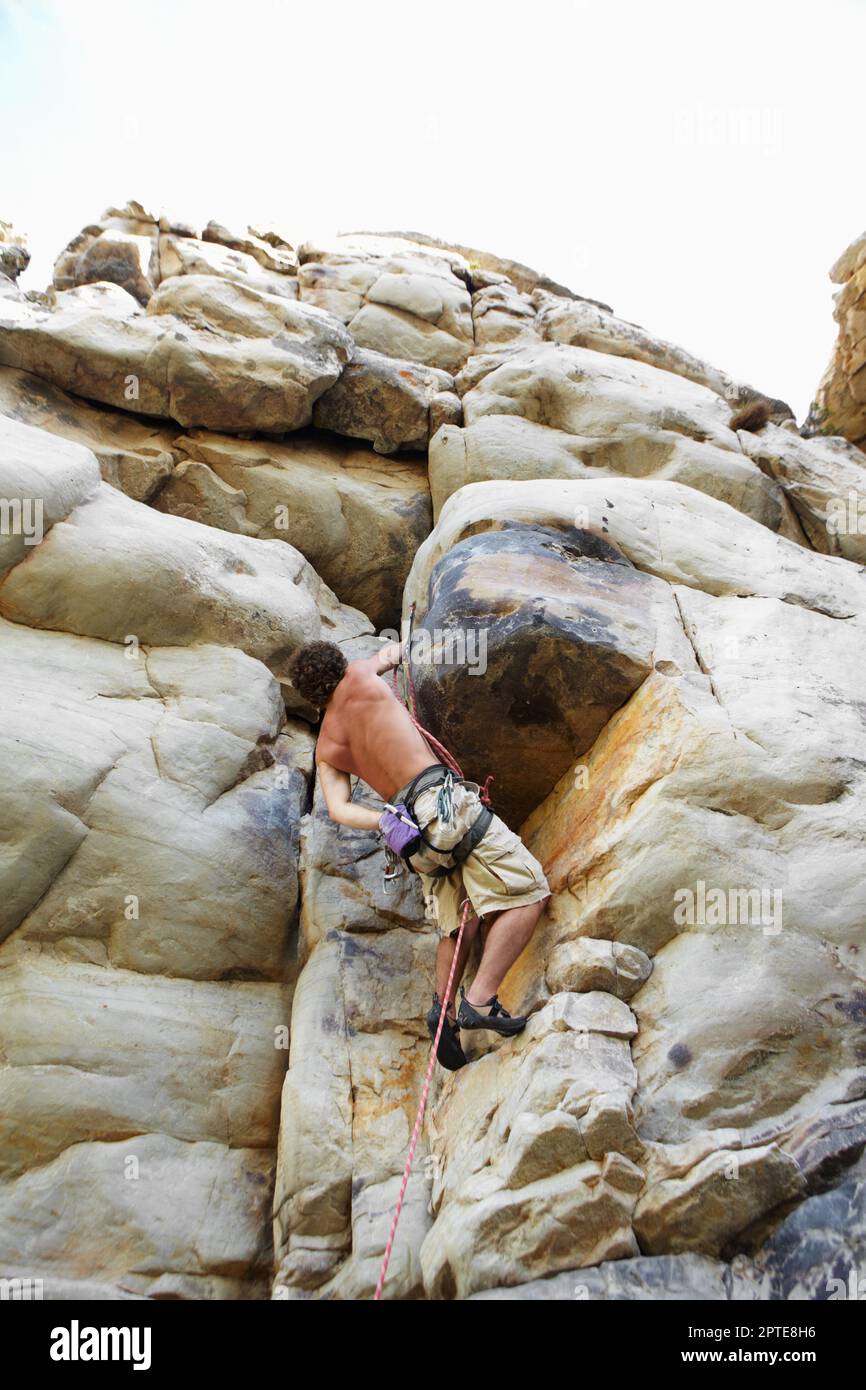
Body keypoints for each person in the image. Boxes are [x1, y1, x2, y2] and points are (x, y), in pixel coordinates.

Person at [287, 637, 551, 1070]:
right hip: (443, 805)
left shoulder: (327, 747)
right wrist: (402, 647)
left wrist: (386, 821)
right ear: (338, 663)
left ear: (310, 693)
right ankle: (480, 1001)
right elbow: (393, 655)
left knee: (457, 921)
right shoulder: (358, 674)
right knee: (530, 892)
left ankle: (443, 1012)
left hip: (411, 833)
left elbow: (338, 809)